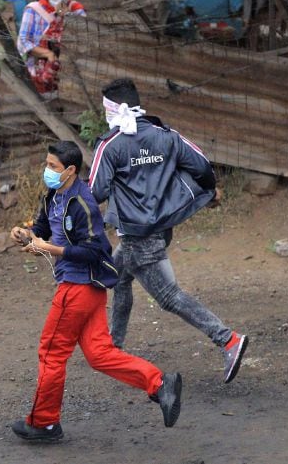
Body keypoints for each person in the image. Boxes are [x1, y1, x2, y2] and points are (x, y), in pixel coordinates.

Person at [9, 140, 183, 442]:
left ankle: (44, 423)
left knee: (51, 353)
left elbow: (95, 251)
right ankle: (159, 383)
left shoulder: (82, 203)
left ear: (71, 170)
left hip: (77, 289)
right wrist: (27, 236)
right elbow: (42, 228)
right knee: (100, 354)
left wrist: (48, 248)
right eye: (47, 164)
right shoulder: (54, 195)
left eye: (53, 167)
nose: (47, 171)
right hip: (87, 291)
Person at [88, 78, 248, 384]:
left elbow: (95, 190)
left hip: (137, 236)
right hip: (162, 228)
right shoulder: (166, 135)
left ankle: (227, 340)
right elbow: (202, 166)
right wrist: (204, 193)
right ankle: (113, 346)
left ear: (111, 109)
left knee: (168, 297)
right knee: (118, 277)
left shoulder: (110, 144)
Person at [16, 0, 85, 100]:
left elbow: (84, 33)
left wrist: (66, 16)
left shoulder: (75, 9)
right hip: (40, 65)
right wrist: (48, 54)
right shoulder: (34, 10)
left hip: (70, 65)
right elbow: (23, 41)